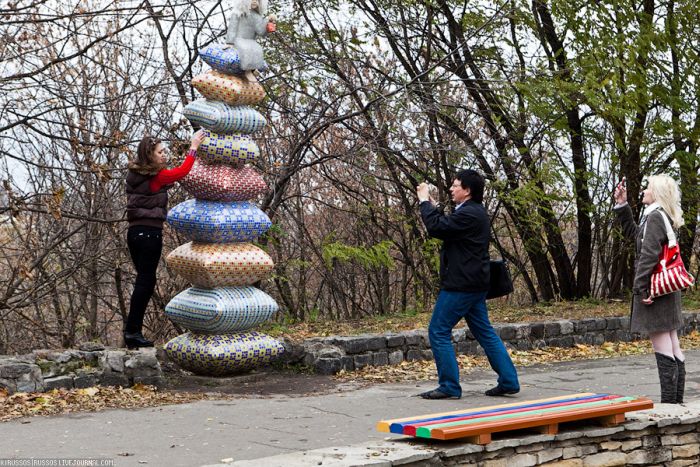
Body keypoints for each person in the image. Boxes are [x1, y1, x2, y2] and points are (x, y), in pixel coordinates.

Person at [415, 170, 520, 399]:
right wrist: (433, 207)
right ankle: (509, 381)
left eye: (455, 186)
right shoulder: (472, 212)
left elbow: (437, 228)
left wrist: (423, 202)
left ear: (468, 190)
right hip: (474, 283)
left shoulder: (470, 213)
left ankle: (449, 386)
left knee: (438, 330)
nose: (451, 189)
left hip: (461, 285)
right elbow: (446, 225)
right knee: (484, 332)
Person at [124, 130, 205, 349]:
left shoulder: (136, 176)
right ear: (149, 155)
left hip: (134, 233)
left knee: (143, 281)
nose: (164, 155)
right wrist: (194, 147)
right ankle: (132, 332)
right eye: (160, 152)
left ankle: (132, 331)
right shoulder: (156, 177)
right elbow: (182, 172)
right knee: (145, 282)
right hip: (150, 234)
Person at [613, 174, 686, 403]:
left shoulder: (655, 217)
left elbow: (649, 255)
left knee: (664, 349)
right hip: (666, 289)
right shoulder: (659, 215)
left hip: (655, 292)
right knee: (673, 347)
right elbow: (637, 237)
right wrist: (622, 206)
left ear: (657, 193)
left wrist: (640, 288)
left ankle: (670, 405)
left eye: (648, 187)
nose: (644, 191)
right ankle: (676, 403)